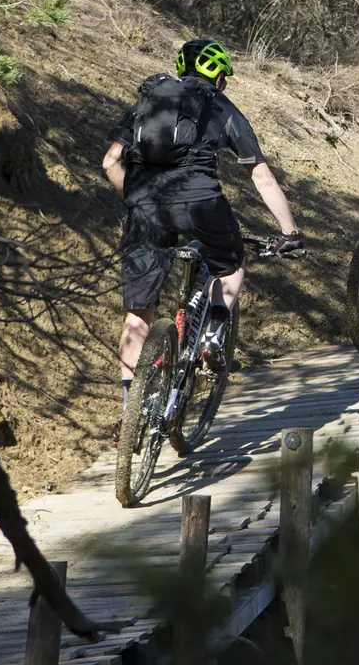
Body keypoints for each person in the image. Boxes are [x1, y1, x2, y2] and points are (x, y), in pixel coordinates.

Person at [101, 39, 303, 401]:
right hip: (200, 202)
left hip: (145, 207)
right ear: (220, 78)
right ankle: (213, 331)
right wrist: (290, 231)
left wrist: (135, 199)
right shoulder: (220, 105)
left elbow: (110, 162)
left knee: (137, 315)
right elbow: (261, 176)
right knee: (230, 265)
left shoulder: (151, 102)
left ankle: (131, 407)